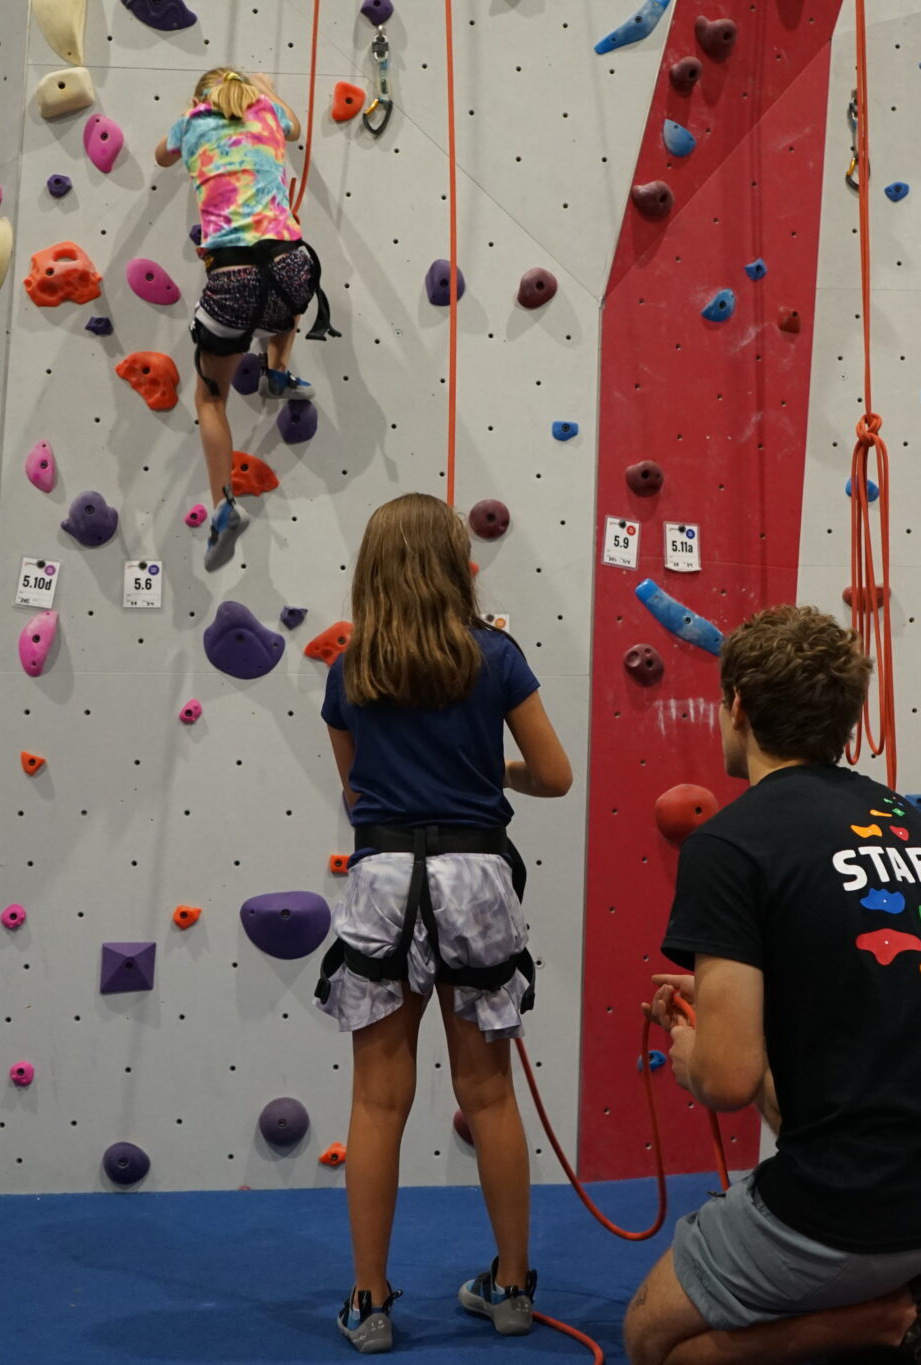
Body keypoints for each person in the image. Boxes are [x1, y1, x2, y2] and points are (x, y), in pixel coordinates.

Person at [623, 605, 921, 1365]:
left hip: (862, 1205)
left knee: (654, 1340)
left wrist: (691, 1048)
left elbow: (730, 1079)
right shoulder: (907, 823)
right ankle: (919, 1290)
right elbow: (865, 987)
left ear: (738, 707)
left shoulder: (730, 843)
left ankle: (899, 1314)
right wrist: (728, 993)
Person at [312, 492, 574, 1354]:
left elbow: (358, 796)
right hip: (475, 877)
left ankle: (370, 1299)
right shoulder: (496, 656)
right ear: (456, 567)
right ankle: (509, 1287)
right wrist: (483, 773)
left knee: (378, 1101)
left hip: (385, 877)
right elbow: (554, 774)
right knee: (489, 1092)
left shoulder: (350, 672)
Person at [154, 67, 337, 561]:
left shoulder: (190, 121)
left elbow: (161, 155)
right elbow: (295, 128)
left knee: (210, 399)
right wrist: (271, 91)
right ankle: (277, 372)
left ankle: (223, 505)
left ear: (200, 97)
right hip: (293, 265)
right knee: (289, 302)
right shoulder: (266, 110)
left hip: (231, 277)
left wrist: (190, 125)